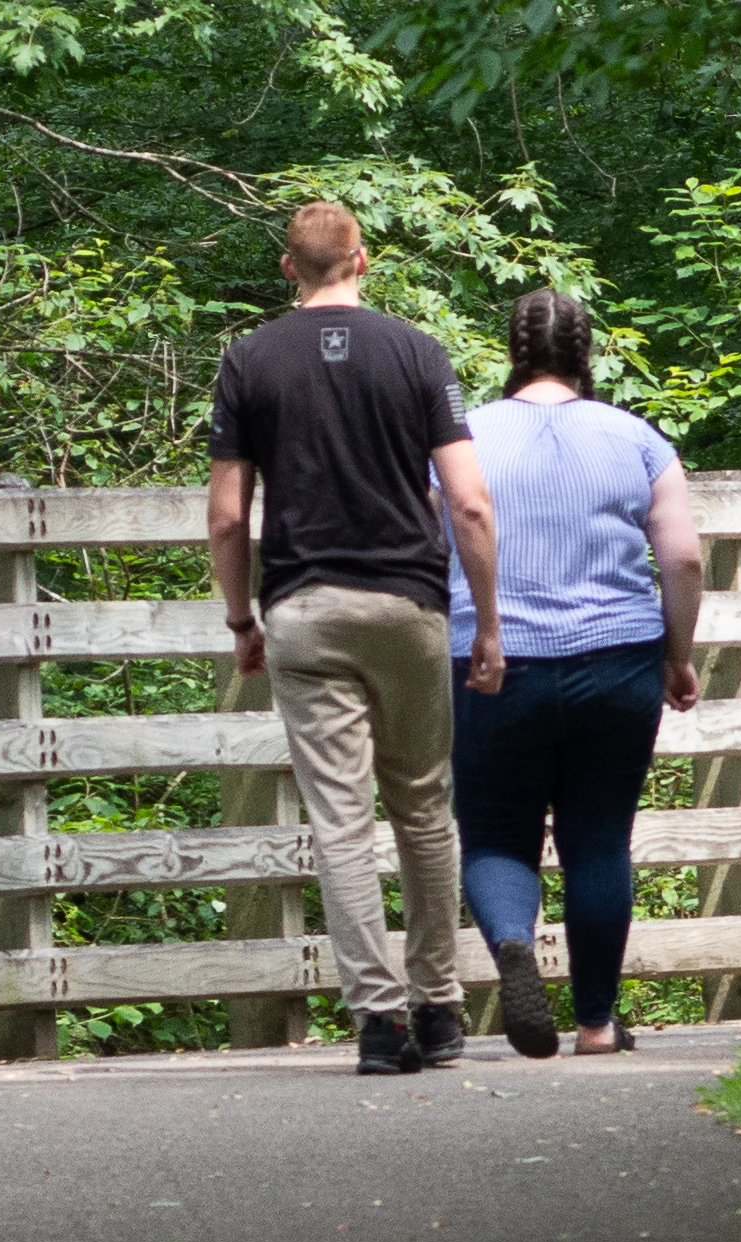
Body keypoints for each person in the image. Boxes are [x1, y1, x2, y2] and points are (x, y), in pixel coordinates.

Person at [208, 200, 511, 1075]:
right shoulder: (416, 351)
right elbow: (469, 502)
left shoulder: (249, 359)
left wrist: (242, 619)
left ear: (286, 267)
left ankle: (379, 1024)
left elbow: (229, 515)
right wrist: (486, 622)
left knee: (341, 822)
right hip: (408, 607)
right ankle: (442, 1008)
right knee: (422, 806)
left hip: (305, 608)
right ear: (363, 261)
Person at [442, 289, 700, 1058]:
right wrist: (677, 655)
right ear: (588, 353)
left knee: (493, 832)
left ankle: (514, 944)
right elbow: (682, 557)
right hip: (616, 660)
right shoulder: (639, 440)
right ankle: (594, 1023)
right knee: (597, 839)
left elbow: (433, 545)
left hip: (491, 660)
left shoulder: (463, 439)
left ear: (512, 351)